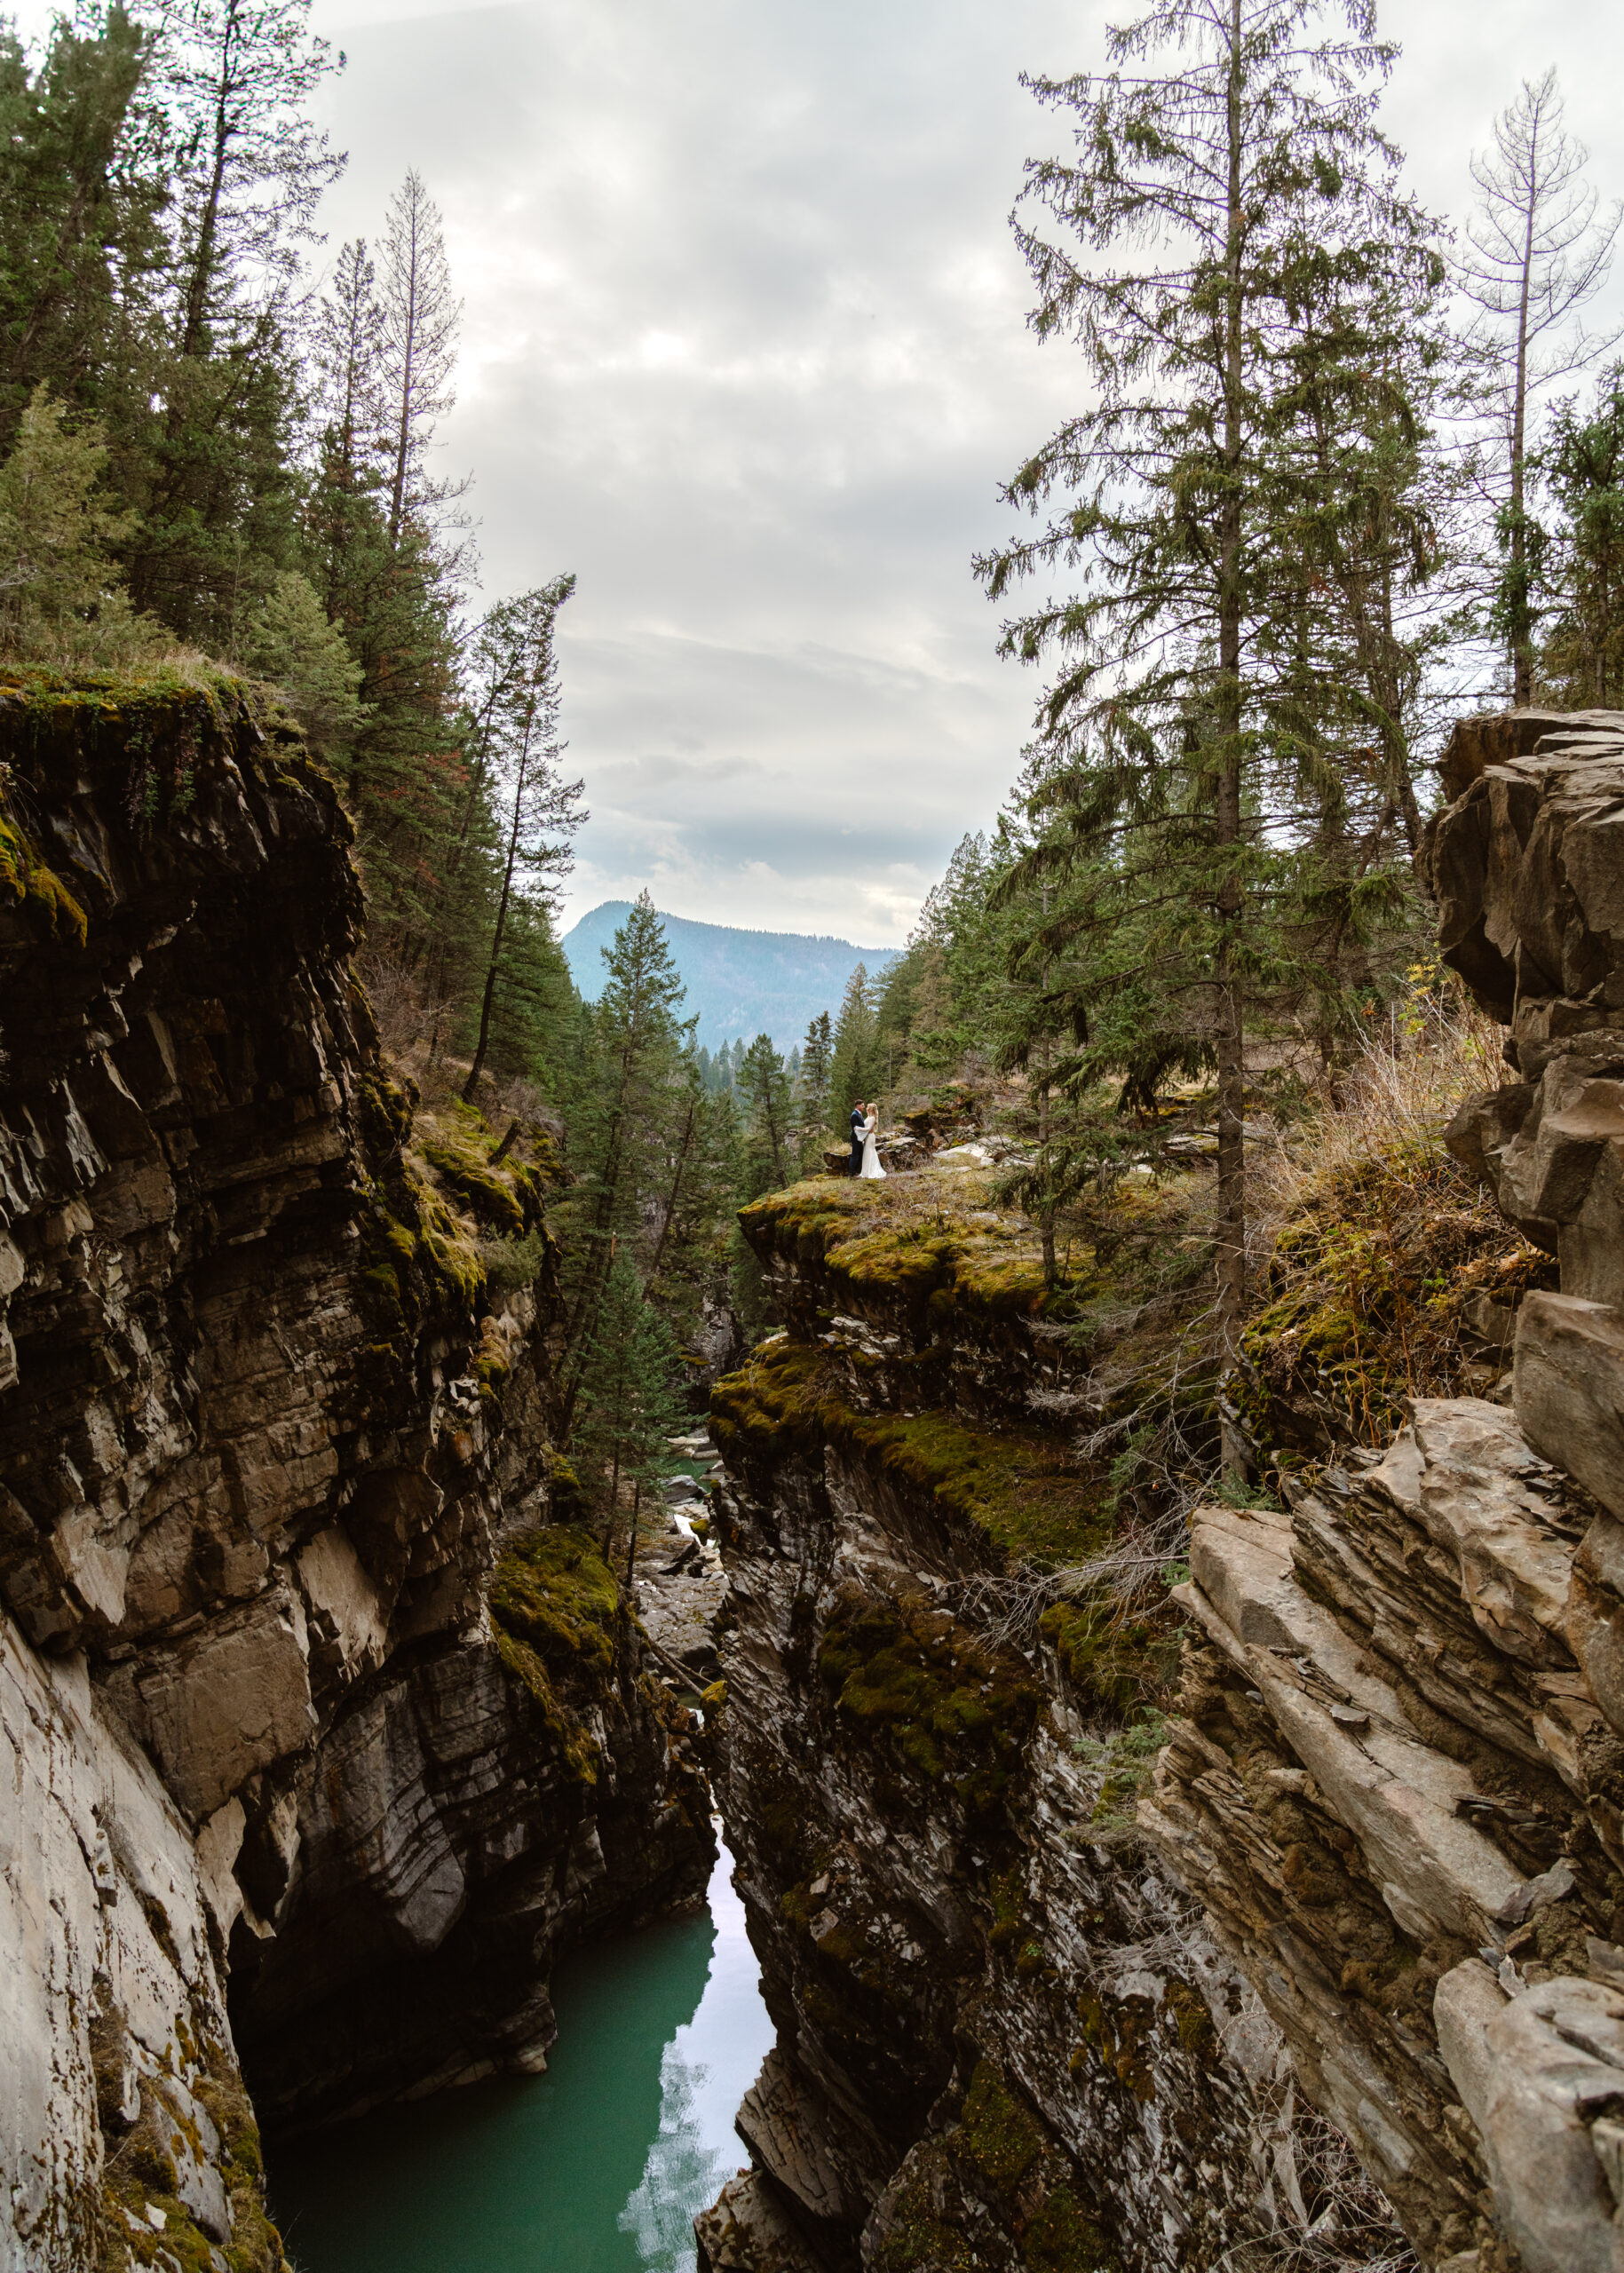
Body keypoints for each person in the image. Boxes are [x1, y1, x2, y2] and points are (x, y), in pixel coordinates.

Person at [859, 1101, 886, 1181]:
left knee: (870, 1152)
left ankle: (871, 1171)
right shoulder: (869, 1117)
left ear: (871, 1109)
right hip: (867, 1137)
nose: (866, 1108)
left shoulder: (873, 1118)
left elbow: (869, 1129)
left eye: (868, 1107)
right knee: (867, 1152)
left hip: (870, 1137)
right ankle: (866, 1171)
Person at [847, 1103, 866, 1176]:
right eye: (862, 1105)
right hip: (856, 1137)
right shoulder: (854, 1115)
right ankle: (852, 1172)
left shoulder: (858, 1114)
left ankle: (857, 1171)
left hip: (859, 1137)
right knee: (855, 1155)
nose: (864, 1107)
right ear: (858, 1106)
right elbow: (856, 1128)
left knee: (860, 1154)